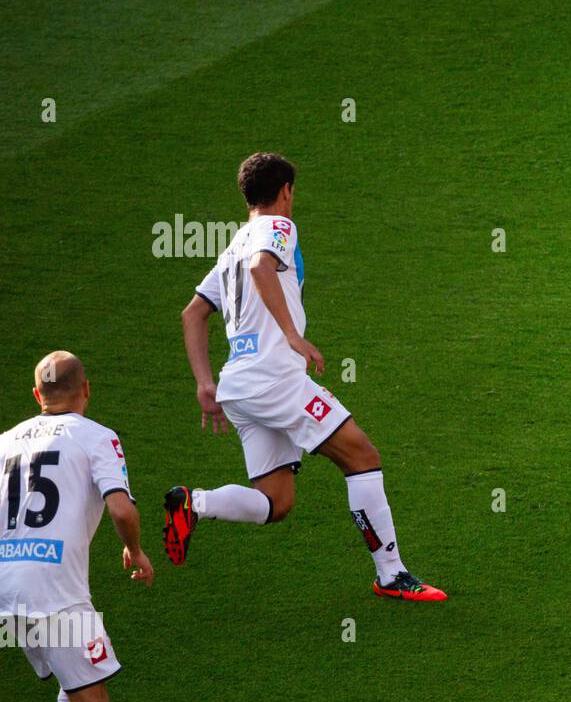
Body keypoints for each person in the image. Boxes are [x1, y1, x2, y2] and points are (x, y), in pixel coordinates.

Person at [166, 152, 445, 601]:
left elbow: (193, 313)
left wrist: (204, 383)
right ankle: (391, 575)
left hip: (237, 386)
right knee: (361, 455)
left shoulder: (231, 246)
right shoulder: (276, 228)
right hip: (273, 379)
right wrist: (293, 336)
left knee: (277, 501)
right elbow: (262, 268)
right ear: (286, 192)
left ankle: (194, 503)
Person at [0, 351, 153, 702]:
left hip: (8, 589)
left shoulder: (5, 441)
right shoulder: (96, 437)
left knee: (74, 684)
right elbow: (120, 507)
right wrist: (136, 549)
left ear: (36, 396)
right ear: (86, 389)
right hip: (54, 593)